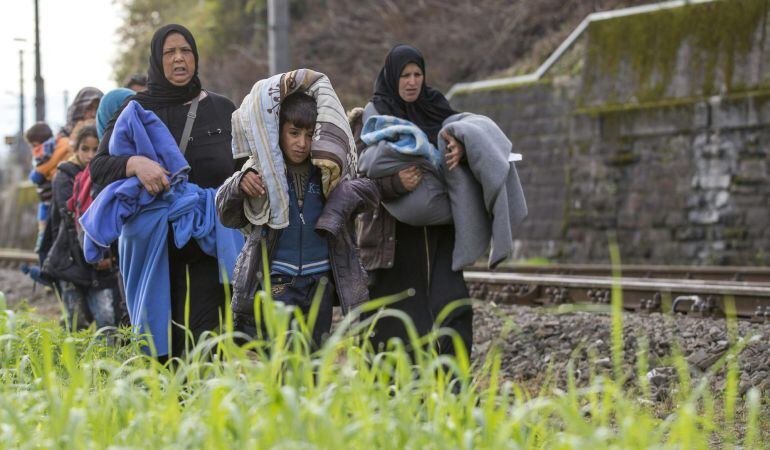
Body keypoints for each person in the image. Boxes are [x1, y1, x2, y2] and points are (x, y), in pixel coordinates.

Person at [90, 24, 243, 357]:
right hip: (154, 248)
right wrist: (134, 164)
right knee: (162, 347)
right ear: (157, 60)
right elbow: (99, 167)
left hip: (208, 243)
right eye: (169, 52)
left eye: (185, 51)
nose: (178, 59)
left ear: (196, 57)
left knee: (206, 344)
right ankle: (167, 406)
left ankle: (203, 407)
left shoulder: (222, 109)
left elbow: (244, 165)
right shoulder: (135, 109)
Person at [217, 92, 376, 348]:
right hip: (278, 281)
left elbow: (370, 192)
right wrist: (239, 183)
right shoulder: (262, 169)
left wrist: (345, 194)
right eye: (294, 133)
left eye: (310, 135)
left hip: (319, 282)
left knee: (314, 359)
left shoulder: (328, 171)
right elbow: (225, 212)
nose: (302, 143)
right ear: (278, 131)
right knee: (281, 359)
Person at [357, 44, 473, 358]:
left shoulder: (436, 106)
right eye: (405, 75)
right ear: (392, 77)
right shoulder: (375, 114)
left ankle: (454, 390)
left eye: (417, 74)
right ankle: (394, 398)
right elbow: (357, 180)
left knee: (452, 307)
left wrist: (461, 151)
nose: (412, 82)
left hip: (439, 236)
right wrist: (395, 183)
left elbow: (461, 139)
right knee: (398, 321)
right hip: (394, 240)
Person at [43, 125, 117, 330]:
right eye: (85, 149)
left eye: (95, 150)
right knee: (76, 319)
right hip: (71, 258)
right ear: (76, 149)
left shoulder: (104, 173)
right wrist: (97, 256)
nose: (90, 155)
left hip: (99, 261)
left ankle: (104, 360)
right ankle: (73, 360)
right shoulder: (65, 176)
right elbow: (71, 221)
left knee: (106, 318)